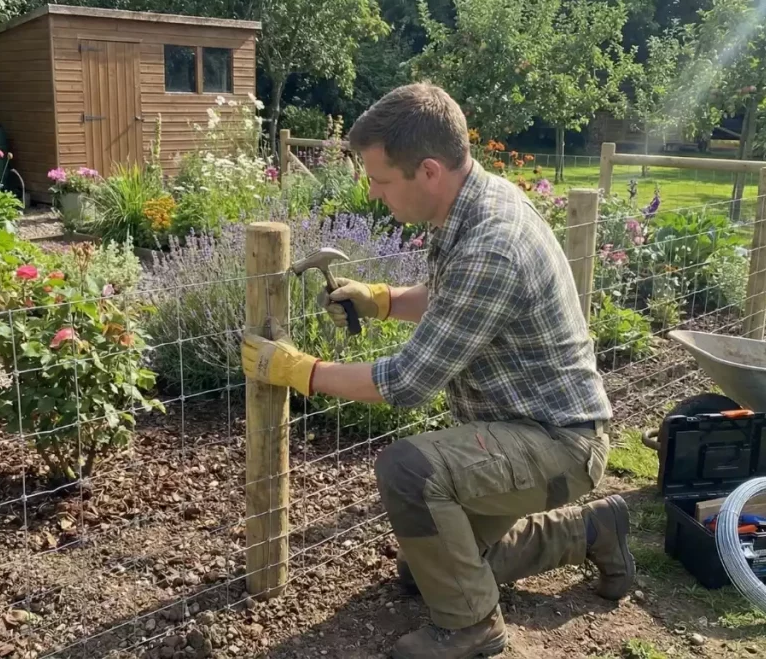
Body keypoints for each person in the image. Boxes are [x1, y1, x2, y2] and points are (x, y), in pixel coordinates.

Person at [241, 82, 634, 659]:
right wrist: (384, 298)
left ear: (428, 170)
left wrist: (298, 370)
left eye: (380, 180)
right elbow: (456, 298)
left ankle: (473, 629)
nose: (374, 195)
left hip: (558, 444)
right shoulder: (476, 202)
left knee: (408, 471)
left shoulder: (492, 245)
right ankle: (592, 531)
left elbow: (404, 383)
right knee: (426, 567)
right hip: (520, 431)